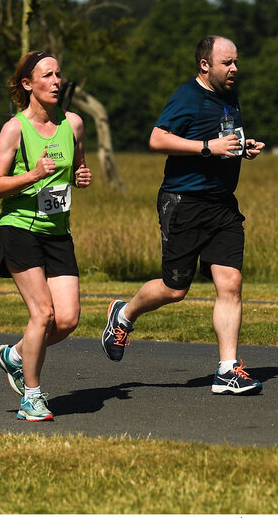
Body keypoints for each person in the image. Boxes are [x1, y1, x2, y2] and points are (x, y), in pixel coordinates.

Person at [101, 35, 266, 394]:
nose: (235, 68)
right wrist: (208, 147)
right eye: (227, 63)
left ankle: (226, 369)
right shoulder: (187, 97)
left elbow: (223, 137)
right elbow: (157, 139)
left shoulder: (229, 96)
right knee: (175, 289)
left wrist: (242, 146)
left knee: (231, 283)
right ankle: (124, 314)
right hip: (184, 202)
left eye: (236, 62)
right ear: (205, 65)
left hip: (222, 205)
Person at [0, 50, 92, 421]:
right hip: (19, 230)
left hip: (58, 232)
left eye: (59, 74)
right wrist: (31, 175)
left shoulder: (73, 123)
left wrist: (81, 175)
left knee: (68, 319)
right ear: (28, 84)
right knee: (43, 315)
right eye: (47, 75)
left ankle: (14, 355)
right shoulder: (15, 128)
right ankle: (31, 397)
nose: (56, 81)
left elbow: (77, 164)